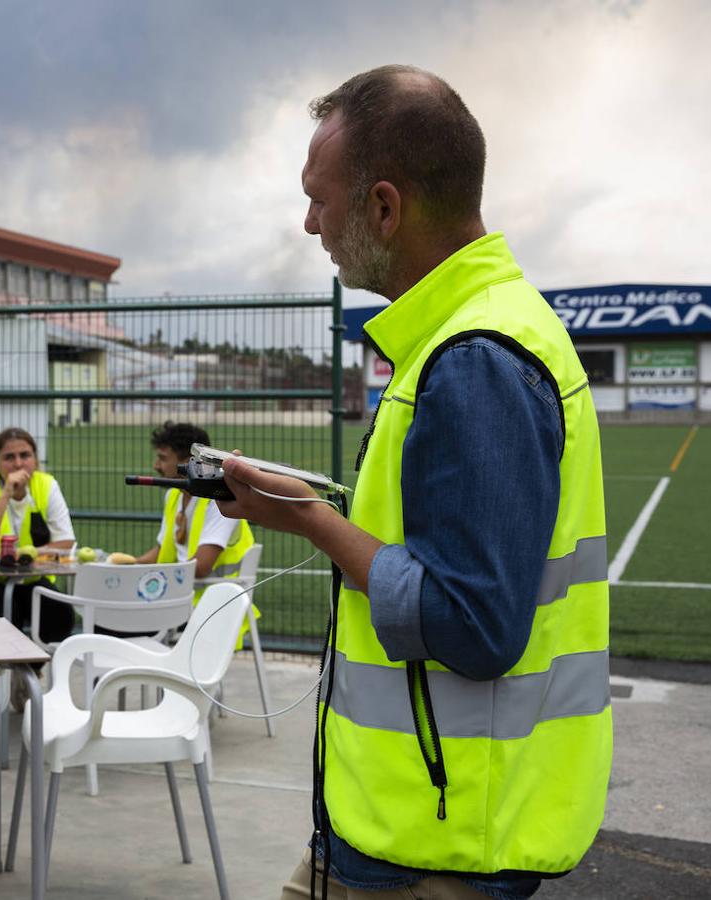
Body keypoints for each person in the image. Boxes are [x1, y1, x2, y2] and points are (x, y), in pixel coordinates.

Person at [216, 66, 611, 899]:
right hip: (409, 824)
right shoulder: (465, 338)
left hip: (443, 844)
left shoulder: (474, 360)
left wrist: (314, 521)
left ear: (385, 208)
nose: (310, 222)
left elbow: (471, 622)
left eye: (320, 199)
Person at [134, 421, 258, 644]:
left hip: (212, 606)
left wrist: (155, 580)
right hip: (180, 599)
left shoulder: (218, 500)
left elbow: (201, 567)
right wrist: (125, 565)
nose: (156, 466)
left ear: (187, 462)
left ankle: (116, 678)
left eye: (163, 459)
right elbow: (161, 551)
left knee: (114, 624)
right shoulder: (174, 496)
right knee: (112, 615)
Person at [0, 426, 77, 643]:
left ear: (35, 460)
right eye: (9, 457)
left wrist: (27, 555)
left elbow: (65, 542)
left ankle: (31, 668)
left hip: (30, 578)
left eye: (25, 455)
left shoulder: (46, 485)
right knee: (1, 617)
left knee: (60, 615)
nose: (18, 464)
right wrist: (6, 494)